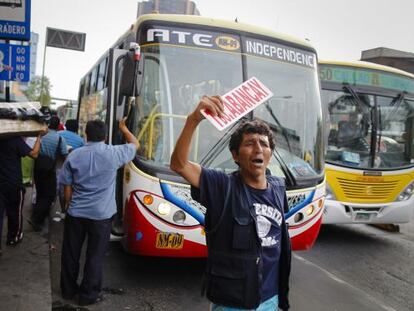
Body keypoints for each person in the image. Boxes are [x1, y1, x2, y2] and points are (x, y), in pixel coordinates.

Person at [170, 96, 291, 311]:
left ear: (270, 155)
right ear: (235, 155)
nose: (258, 149)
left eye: (264, 144)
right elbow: (179, 165)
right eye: (249, 143)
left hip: (271, 299)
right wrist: (193, 120)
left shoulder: (279, 188)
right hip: (233, 303)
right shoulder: (222, 186)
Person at [59, 118, 139, 306]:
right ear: (105, 136)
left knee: (70, 254)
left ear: (86, 134)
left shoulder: (74, 156)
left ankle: (68, 291)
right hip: (101, 217)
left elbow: (66, 187)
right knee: (95, 257)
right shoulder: (114, 153)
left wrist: (66, 207)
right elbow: (136, 144)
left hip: (76, 214)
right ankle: (88, 295)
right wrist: (124, 128)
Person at [0, 133, 43, 254]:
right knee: (15, 212)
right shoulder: (14, 140)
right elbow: (34, 154)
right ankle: (13, 238)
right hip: (14, 184)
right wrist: (39, 137)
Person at [29, 116, 68, 231]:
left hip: (37, 167)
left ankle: (38, 219)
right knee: (50, 195)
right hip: (49, 170)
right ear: (58, 126)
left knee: (40, 192)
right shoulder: (60, 139)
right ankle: (36, 218)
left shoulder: (41, 135)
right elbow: (65, 155)